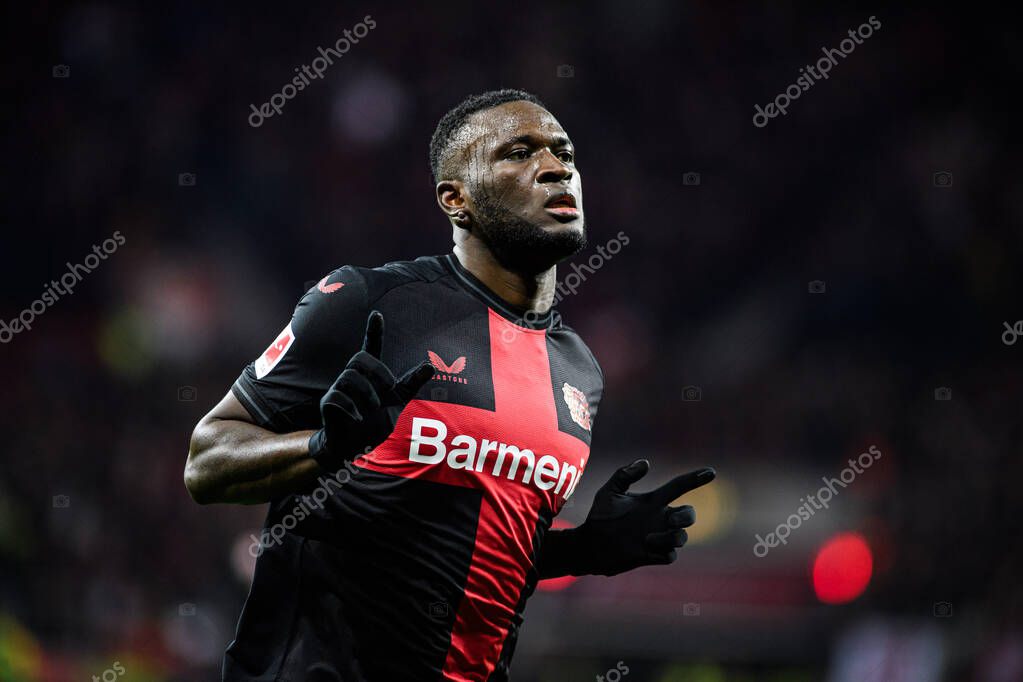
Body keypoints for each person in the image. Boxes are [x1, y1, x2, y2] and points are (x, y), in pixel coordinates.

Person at [185, 88, 715, 681]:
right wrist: (321, 450)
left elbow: (460, 548)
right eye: (519, 152)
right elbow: (205, 463)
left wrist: (582, 552)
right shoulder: (368, 303)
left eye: (564, 153)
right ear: (455, 200)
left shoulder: (579, 370)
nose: (555, 167)